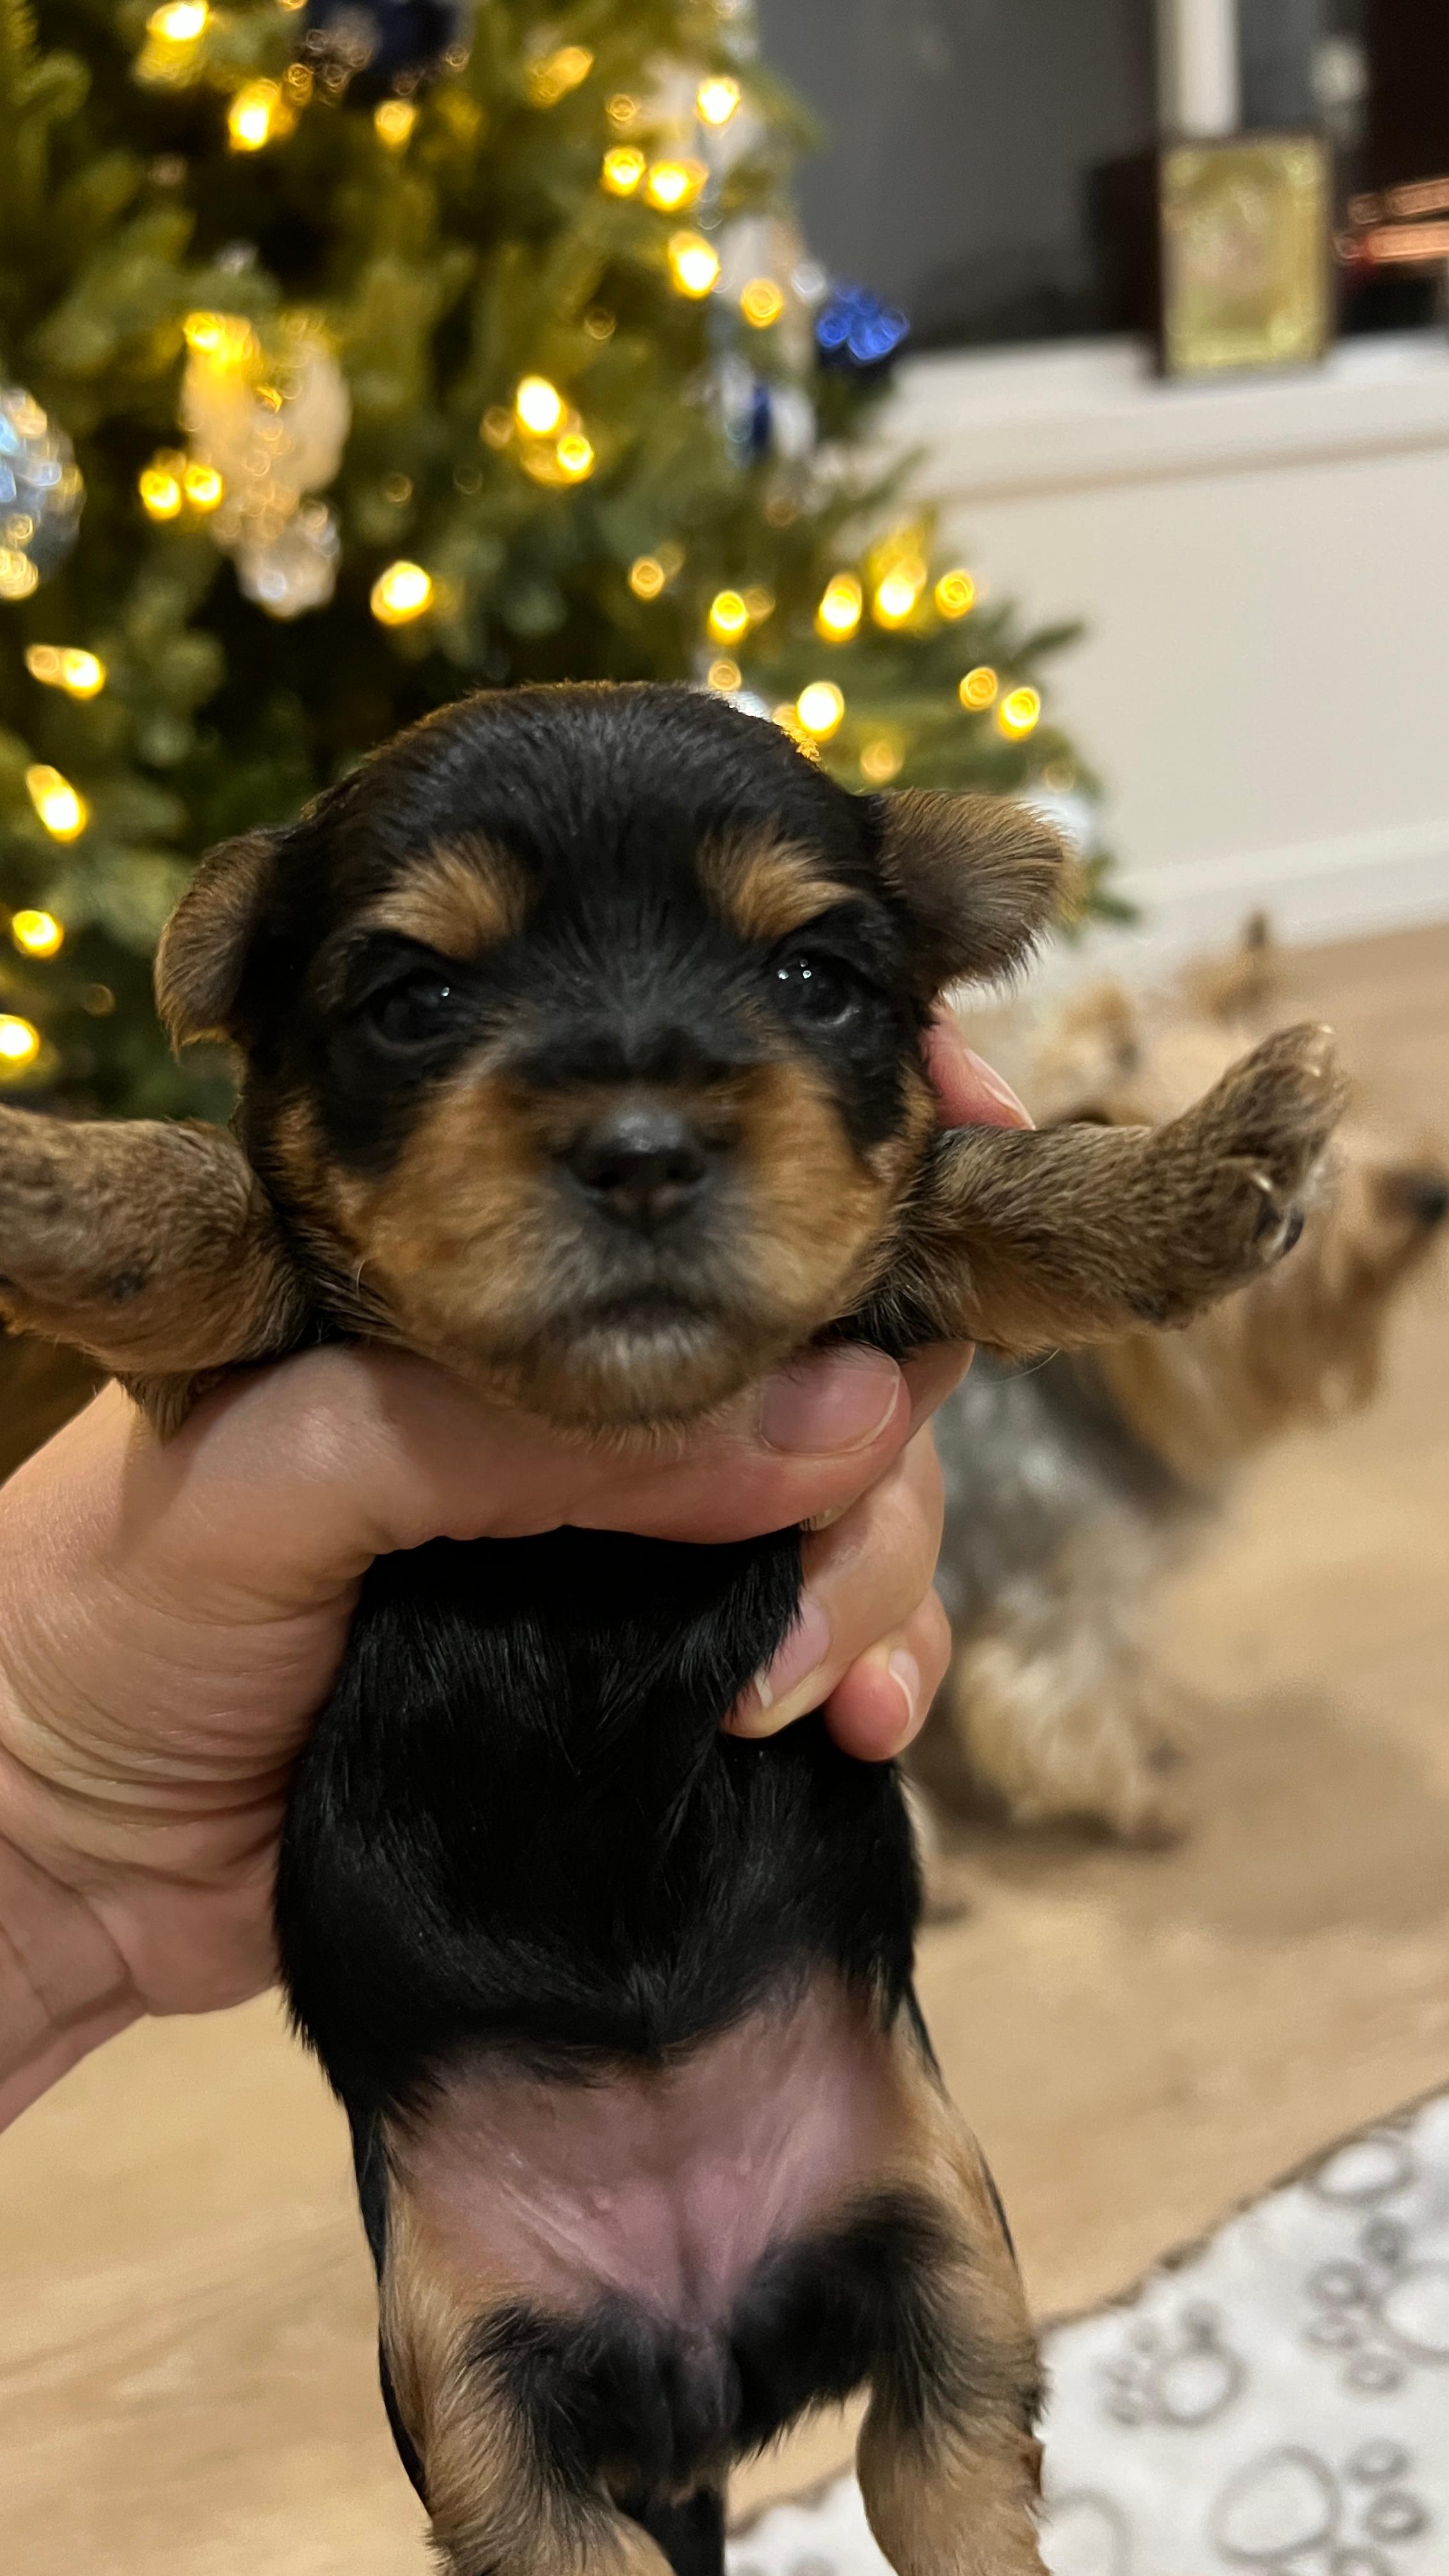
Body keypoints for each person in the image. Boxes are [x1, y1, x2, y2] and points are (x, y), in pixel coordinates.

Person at [0, 1018, 1029, 2130]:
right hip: (428, 1986)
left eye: (805, 979)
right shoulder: (308, 1247)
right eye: (424, 1001)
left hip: (784, 1970)